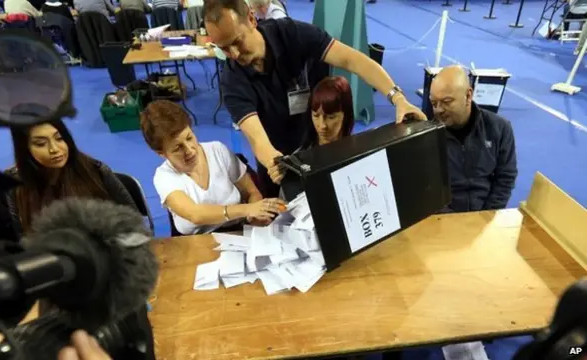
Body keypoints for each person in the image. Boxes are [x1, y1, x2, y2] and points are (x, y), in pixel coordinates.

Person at [203, 0, 426, 197]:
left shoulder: (291, 34)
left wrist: (398, 99)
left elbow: (353, 60)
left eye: (237, 41)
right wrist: (274, 160)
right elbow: (257, 138)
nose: (234, 54)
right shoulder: (232, 80)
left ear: (251, 18)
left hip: (319, 143)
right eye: (224, 48)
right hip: (279, 161)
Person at [140, 100, 286, 235]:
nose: (189, 150)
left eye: (190, 137)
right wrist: (247, 209)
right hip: (196, 243)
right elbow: (195, 215)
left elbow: (251, 192)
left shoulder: (217, 150)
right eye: (178, 148)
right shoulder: (164, 177)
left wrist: (255, 217)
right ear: (162, 153)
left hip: (238, 233)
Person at [5, 120, 136, 235]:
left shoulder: (96, 171)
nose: (54, 149)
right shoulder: (15, 186)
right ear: (24, 149)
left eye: (59, 138)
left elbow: (133, 219)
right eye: (41, 144)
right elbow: (22, 237)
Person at [429, 65, 517, 213]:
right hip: (444, 219)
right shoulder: (428, 137)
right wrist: (449, 220)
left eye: (446, 101)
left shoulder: (500, 128)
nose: (439, 109)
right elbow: (426, 189)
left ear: (468, 96)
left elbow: (505, 178)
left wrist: (487, 215)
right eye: (434, 103)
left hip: (486, 214)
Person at [280, 75, 354, 200]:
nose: (322, 125)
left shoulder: (360, 156)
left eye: (331, 117)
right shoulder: (297, 163)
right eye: (316, 115)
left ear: (345, 115)